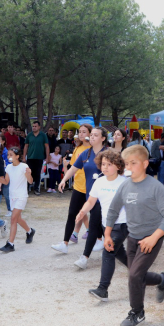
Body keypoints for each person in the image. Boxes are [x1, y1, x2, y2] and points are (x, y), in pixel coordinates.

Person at [104, 145, 164, 326]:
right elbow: (113, 210)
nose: (129, 167)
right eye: (127, 163)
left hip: (151, 238)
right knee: (137, 274)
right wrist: (107, 234)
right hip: (133, 237)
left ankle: (137, 312)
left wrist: (154, 238)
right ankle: (162, 280)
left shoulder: (155, 187)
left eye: (133, 163)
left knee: (135, 275)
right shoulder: (125, 185)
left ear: (145, 163)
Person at [78, 150, 128, 301]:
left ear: (118, 166)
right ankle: (152, 277)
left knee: (108, 251)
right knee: (122, 256)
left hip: (122, 224)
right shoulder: (99, 181)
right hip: (106, 224)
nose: (105, 167)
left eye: (109, 164)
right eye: (103, 164)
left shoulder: (125, 182)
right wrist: (82, 211)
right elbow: (91, 201)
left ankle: (102, 289)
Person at [55, 127, 108, 269]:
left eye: (95, 135)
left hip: (104, 196)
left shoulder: (108, 154)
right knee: (98, 224)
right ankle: (110, 249)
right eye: (91, 135)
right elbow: (73, 168)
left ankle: (85, 257)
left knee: (98, 224)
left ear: (103, 138)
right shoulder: (86, 153)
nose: (92, 137)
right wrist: (63, 180)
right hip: (90, 195)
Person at [53, 124, 92, 250]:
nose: (81, 134)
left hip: (93, 189)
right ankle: (65, 243)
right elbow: (72, 169)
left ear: (90, 134)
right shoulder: (77, 149)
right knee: (71, 214)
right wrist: (64, 179)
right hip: (79, 187)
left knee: (97, 216)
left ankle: (100, 240)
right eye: (79, 132)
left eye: (84, 132)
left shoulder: (95, 149)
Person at [0, 146, 35, 252]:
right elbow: (6, 181)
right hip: (12, 196)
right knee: (18, 219)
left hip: (21, 196)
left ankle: (10, 244)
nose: (9, 157)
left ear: (17, 156)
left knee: (13, 219)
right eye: (8, 155)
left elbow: (30, 181)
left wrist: (29, 174)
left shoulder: (24, 166)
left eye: (11, 155)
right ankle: (30, 231)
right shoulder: (9, 168)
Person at [24, 121, 49, 195]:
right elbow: (26, 146)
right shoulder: (29, 135)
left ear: (39, 127)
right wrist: (24, 156)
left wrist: (47, 157)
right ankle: (27, 188)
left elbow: (47, 146)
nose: (34, 127)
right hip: (30, 157)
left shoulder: (43, 135)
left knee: (37, 174)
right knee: (29, 173)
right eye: (33, 126)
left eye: (35, 126)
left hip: (39, 157)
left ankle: (36, 189)